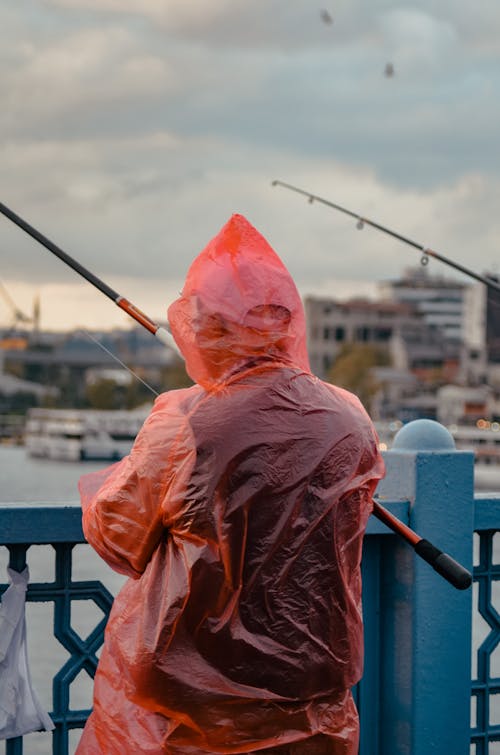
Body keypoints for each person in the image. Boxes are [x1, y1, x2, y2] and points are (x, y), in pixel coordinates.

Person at [76, 213, 385, 754]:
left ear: (210, 329)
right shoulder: (352, 418)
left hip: (190, 702)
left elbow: (119, 539)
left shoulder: (185, 421)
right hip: (312, 694)